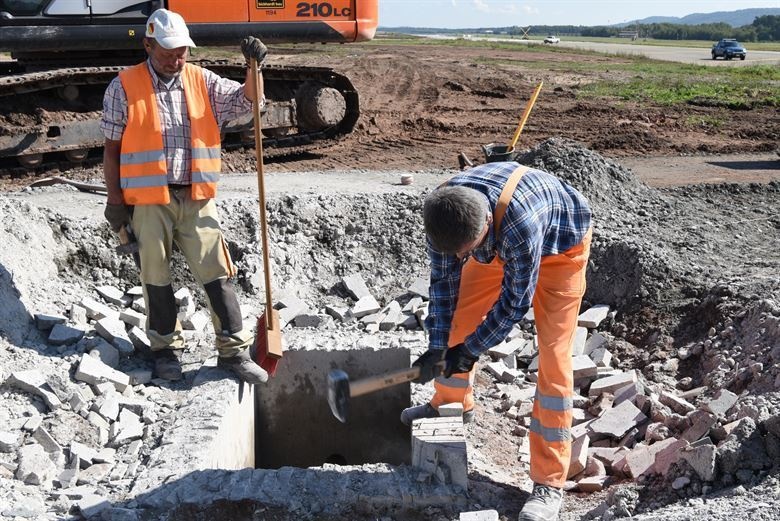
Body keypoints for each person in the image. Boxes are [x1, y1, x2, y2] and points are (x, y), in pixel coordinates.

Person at [402, 161, 592, 521]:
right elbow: (444, 287)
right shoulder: (445, 214)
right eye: (456, 254)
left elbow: (514, 304)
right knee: (458, 319)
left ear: (485, 226)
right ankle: (450, 405)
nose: (459, 260)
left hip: (560, 248)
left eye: (464, 252)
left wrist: (470, 351)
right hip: (496, 241)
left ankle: (548, 484)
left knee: (553, 356)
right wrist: (438, 348)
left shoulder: (519, 225)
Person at [100, 8, 270, 384]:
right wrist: (115, 203)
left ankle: (233, 352)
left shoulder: (202, 80)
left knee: (218, 272)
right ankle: (164, 351)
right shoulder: (123, 86)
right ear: (148, 45)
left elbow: (247, 102)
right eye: (168, 52)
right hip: (148, 202)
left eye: (182, 52)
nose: (176, 59)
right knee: (155, 276)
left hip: (196, 196)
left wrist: (253, 68)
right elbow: (111, 151)